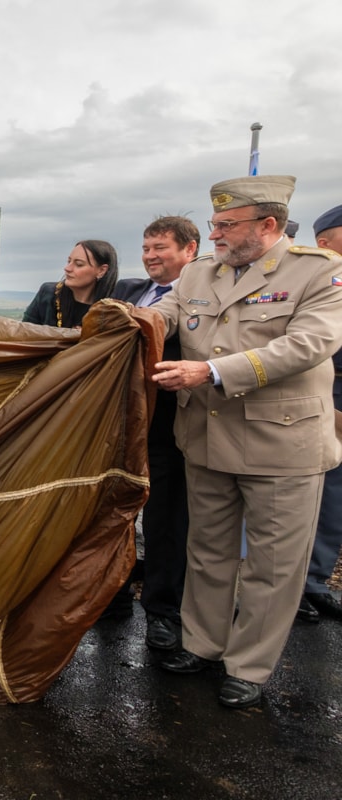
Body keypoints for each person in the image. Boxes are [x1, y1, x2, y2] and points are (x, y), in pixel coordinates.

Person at [149, 175, 342, 709]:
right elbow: (163, 316)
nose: (215, 234)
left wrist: (210, 370)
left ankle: (249, 666)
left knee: (272, 564)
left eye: (226, 225)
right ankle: (202, 644)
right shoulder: (198, 273)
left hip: (281, 444)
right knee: (208, 552)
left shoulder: (319, 271)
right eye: (214, 224)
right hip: (206, 437)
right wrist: (126, 321)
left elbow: (310, 343)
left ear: (268, 226)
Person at [110, 216, 200, 650]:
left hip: (168, 425)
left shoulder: (197, 295)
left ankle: (164, 612)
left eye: (160, 248)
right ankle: (113, 593)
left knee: (165, 521)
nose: (150, 257)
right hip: (120, 424)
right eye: (146, 248)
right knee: (115, 512)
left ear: (190, 249)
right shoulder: (127, 291)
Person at [297, 203, 342, 622]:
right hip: (327, 392)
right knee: (320, 491)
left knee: (336, 499)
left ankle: (318, 579)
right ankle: (303, 584)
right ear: (325, 241)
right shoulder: (316, 281)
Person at [22, 240, 119, 328]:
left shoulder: (112, 309)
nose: (67, 268)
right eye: (69, 261)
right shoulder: (48, 293)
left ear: (101, 271)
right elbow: (24, 333)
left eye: (79, 264)